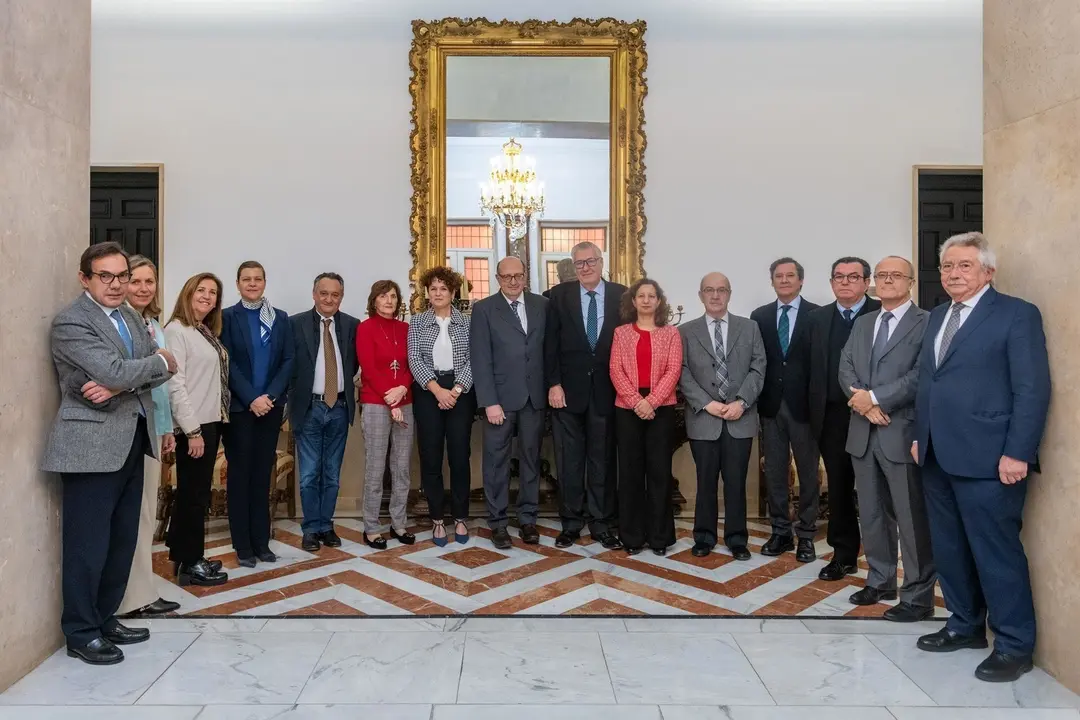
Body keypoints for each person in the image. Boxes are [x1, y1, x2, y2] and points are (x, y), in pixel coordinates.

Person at [912, 232, 1050, 683]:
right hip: (936, 455)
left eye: (964, 266)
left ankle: (1013, 645)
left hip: (992, 459)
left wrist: (1018, 452)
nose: (953, 273)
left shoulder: (1016, 314)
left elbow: (1032, 389)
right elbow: (929, 383)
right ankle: (964, 625)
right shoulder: (936, 316)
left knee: (996, 553)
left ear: (987, 271)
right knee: (949, 550)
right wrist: (920, 435)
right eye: (948, 266)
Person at [42, 242, 176, 664]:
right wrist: (154, 363)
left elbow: (138, 374)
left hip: (133, 440)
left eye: (122, 276)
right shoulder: (70, 322)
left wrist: (123, 381)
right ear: (86, 278)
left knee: (121, 540)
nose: (117, 284)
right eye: (107, 276)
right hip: (89, 447)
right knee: (88, 544)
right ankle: (81, 632)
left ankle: (105, 617)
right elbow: (135, 367)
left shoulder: (132, 318)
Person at [838, 256, 935, 622]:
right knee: (873, 514)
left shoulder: (926, 322)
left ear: (910, 282)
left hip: (901, 431)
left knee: (911, 518)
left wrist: (875, 399)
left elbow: (920, 375)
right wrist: (864, 406)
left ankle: (918, 594)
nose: (888, 281)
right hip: (863, 433)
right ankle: (880, 580)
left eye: (895, 275)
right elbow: (844, 367)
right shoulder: (863, 323)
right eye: (882, 276)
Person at [544, 242, 627, 549]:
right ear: (573, 267)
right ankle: (571, 523)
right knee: (569, 461)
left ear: (601, 261)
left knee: (602, 460)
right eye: (579, 263)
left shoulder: (622, 295)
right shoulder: (558, 296)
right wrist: (553, 383)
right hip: (567, 393)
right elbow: (549, 343)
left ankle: (601, 523)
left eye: (590, 261)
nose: (585, 267)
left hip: (608, 391)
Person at [679, 272, 766, 560]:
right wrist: (706, 404)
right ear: (700, 294)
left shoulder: (749, 327)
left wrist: (742, 401)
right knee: (705, 482)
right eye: (709, 290)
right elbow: (683, 372)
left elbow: (758, 367)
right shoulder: (686, 331)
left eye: (721, 290)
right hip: (704, 420)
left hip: (740, 418)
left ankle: (737, 538)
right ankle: (703, 537)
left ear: (729, 293)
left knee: (736, 482)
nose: (715, 296)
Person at [806, 257, 880, 581]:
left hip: (878, 416)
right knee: (839, 488)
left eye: (853, 277)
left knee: (877, 490)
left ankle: (883, 562)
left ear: (866, 282)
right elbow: (804, 369)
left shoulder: (882, 313)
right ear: (832, 282)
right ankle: (844, 555)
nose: (845, 282)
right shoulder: (817, 319)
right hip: (834, 418)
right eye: (839, 277)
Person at [116, 255, 181, 617]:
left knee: (147, 514)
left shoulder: (151, 322)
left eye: (149, 282)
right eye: (135, 281)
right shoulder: (122, 324)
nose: (143, 288)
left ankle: (142, 591)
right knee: (135, 514)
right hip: (131, 426)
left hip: (153, 426)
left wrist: (167, 427)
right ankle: (130, 598)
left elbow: (163, 385)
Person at [470, 257, 548, 549]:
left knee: (531, 460)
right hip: (499, 401)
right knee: (496, 462)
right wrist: (489, 401)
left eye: (518, 276)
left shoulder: (542, 306)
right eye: (507, 277)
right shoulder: (484, 309)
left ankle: (528, 519)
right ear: (497, 278)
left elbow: (546, 351)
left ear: (526, 276)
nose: (513, 282)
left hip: (534, 398)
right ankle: (498, 522)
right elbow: (480, 357)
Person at [220, 261, 294, 567]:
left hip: (271, 409)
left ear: (265, 282)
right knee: (240, 476)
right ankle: (243, 544)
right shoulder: (225, 318)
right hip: (240, 409)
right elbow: (228, 362)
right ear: (237, 284)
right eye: (246, 279)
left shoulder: (280, 318)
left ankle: (261, 542)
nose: (252, 284)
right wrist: (251, 397)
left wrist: (270, 396)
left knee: (263, 476)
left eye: (257, 279)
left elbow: (289, 360)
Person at [750, 258, 821, 562]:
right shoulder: (760, 316)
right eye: (778, 276)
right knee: (775, 473)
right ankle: (780, 532)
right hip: (770, 406)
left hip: (804, 407)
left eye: (790, 275)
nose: (784, 280)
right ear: (772, 281)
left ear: (801, 280)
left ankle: (806, 534)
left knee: (808, 473)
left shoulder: (817, 315)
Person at [164, 273, 231, 588]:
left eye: (213, 292)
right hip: (194, 425)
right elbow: (174, 385)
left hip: (209, 420)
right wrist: (191, 431)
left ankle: (185, 555)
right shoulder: (176, 331)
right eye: (201, 290)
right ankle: (190, 565)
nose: (207, 296)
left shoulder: (202, 331)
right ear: (188, 293)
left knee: (195, 493)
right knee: (193, 496)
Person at [288, 273, 360, 552]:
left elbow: (354, 365)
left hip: (339, 407)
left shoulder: (353, 325)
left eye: (335, 294)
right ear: (314, 293)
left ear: (341, 296)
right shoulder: (295, 323)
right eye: (324, 293)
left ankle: (326, 526)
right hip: (309, 408)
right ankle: (310, 528)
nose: (329, 299)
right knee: (309, 474)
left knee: (331, 472)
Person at [609, 278, 682, 555]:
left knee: (659, 473)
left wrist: (650, 401)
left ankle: (660, 537)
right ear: (633, 301)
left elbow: (673, 370)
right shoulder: (621, 333)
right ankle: (632, 537)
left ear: (659, 301)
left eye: (652, 296)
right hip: (627, 409)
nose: (647, 300)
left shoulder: (671, 334)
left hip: (661, 408)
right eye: (642, 295)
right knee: (629, 473)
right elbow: (615, 370)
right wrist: (637, 401)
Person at [408, 266, 477, 546]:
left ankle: (460, 518)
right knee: (431, 456)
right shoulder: (417, 322)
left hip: (461, 392)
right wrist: (437, 390)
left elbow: (475, 358)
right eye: (433, 289)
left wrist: (456, 390)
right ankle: (437, 521)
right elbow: (414, 358)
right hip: (428, 391)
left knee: (460, 456)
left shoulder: (468, 322)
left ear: (453, 292)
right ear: (427, 292)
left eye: (443, 289)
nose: (438, 293)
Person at [356, 279, 416, 549]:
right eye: (383, 296)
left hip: (405, 402)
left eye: (393, 296)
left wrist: (402, 389)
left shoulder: (406, 328)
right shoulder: (365, 328)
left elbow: (413, 362)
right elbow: (368, 369)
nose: (389, 300)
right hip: (376, 404)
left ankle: (398, 523)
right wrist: (391, 402)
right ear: (374, 300)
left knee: (401, 467)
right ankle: (371, 527)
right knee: (376, 467)